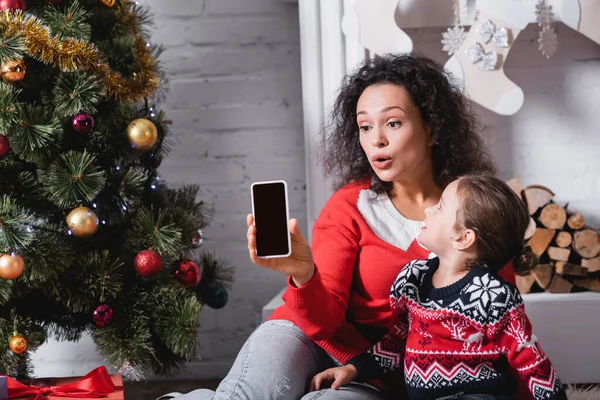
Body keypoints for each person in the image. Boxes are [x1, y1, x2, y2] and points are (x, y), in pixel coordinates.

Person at [164, 54, 511, 399]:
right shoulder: (350, 205)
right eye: (364, 126)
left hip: (372, 375)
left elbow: (504, 328)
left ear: (431, 128)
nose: (376, 140)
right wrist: (303, 274)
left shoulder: (474, 213)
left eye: (392, 123)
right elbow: (324, 324)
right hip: (304, 335)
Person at [310, 175, 567, 400]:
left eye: (441, 206)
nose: (430, 209)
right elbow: (395, 342)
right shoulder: (412, 280)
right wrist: (353, 369)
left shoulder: (492, 295)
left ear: (463, 237)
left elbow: (531, 360)